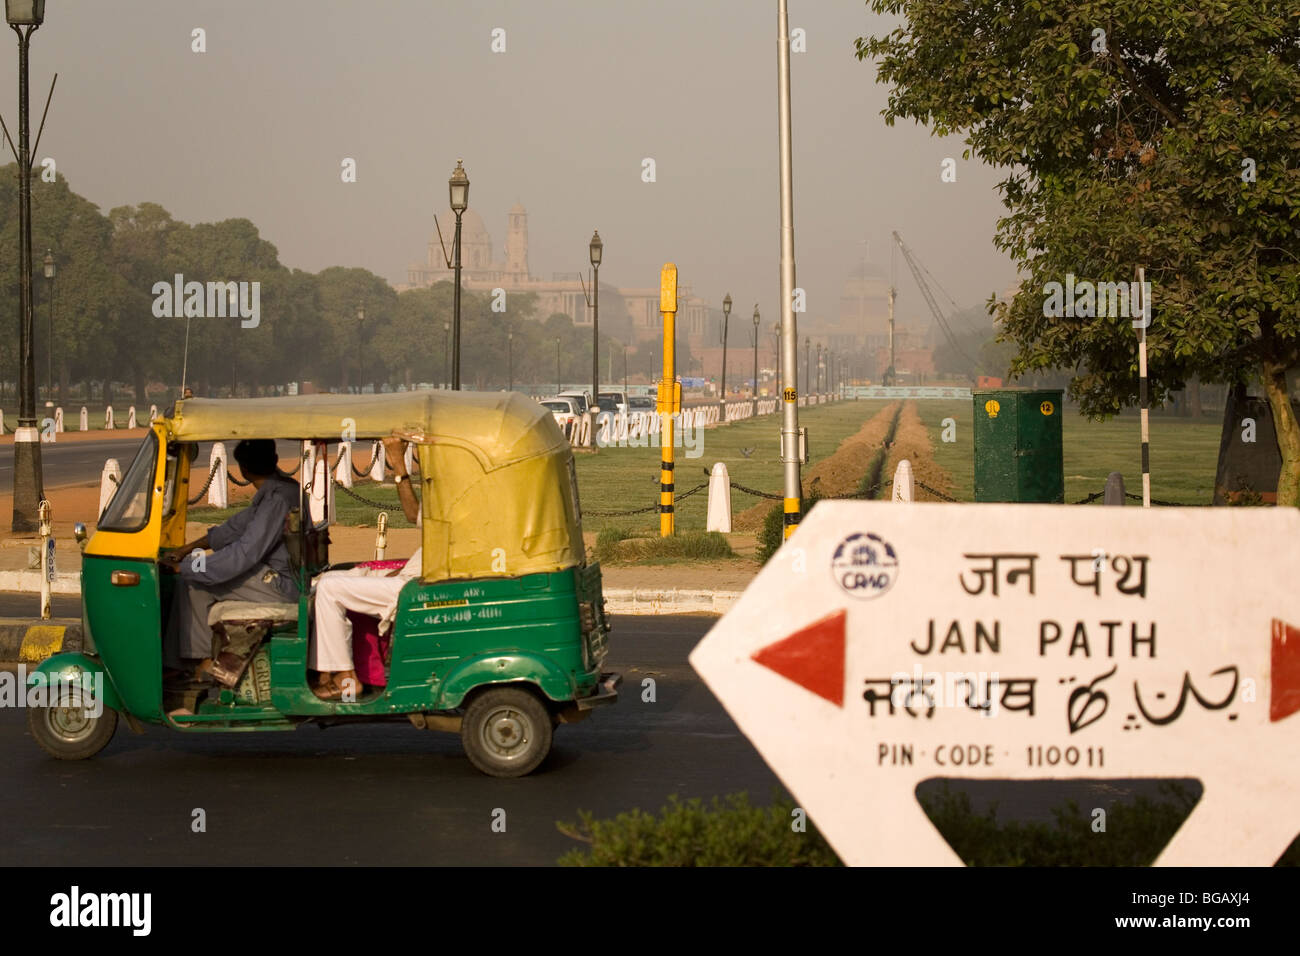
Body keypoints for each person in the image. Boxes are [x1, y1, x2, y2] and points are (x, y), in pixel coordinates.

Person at [161, 439, 300, 679]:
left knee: (193, 581)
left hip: (283, 585)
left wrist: (183, 567)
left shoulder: (277, 499)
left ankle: (198, 662)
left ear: (243, 470)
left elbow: (241, 556)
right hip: (282, 578)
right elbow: (232, 530)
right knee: (198, 572)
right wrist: (187, 550)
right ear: (275, 460)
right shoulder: (281, 490)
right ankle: (189, 661)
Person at [309, 436, 420, 701]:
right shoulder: (459, 505)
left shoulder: (466, 512)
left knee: (329, 588)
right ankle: (323, 671)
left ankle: (346, 676)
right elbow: (414, 514)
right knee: (330, 577)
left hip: (415, 587)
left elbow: (413, 515)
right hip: (410, 577)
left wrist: (398, 464)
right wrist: (399, 467)